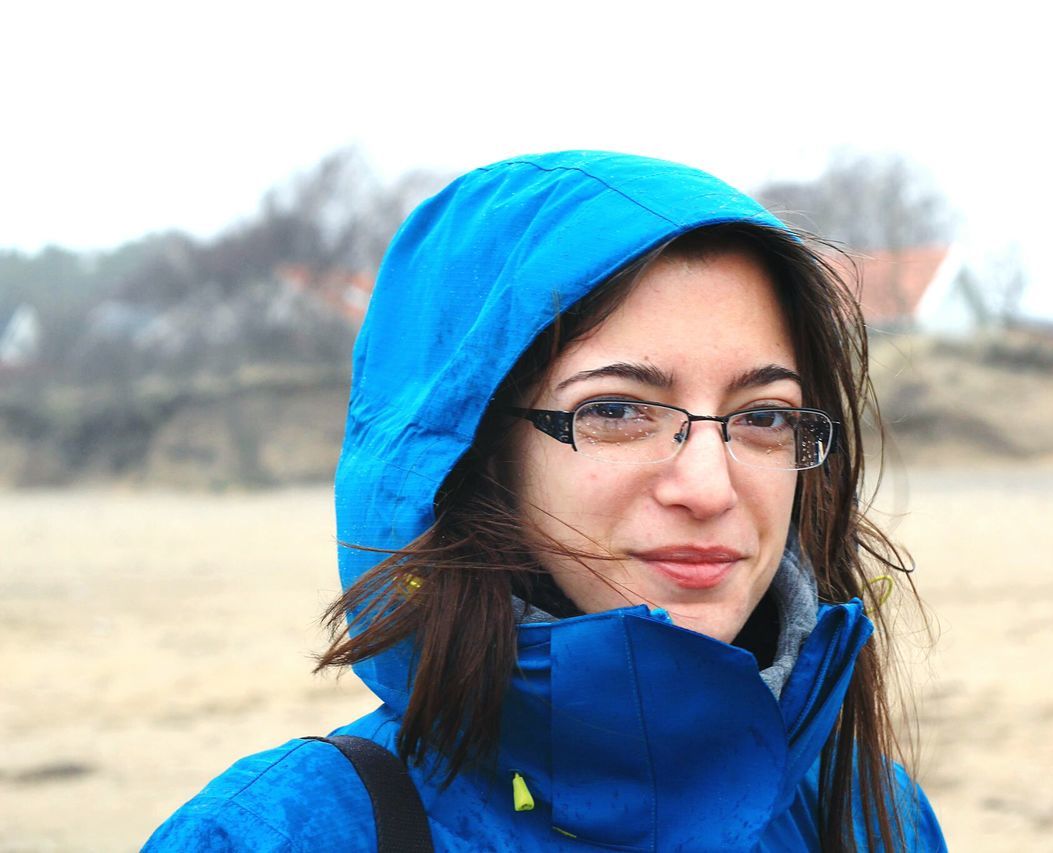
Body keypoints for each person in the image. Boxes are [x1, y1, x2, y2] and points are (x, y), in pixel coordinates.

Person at [145, 151, 946, 851]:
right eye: (616, 411)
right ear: (478, 457)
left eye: (763, 416)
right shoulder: (286, 834)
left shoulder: (872, 814)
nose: (709, 486)